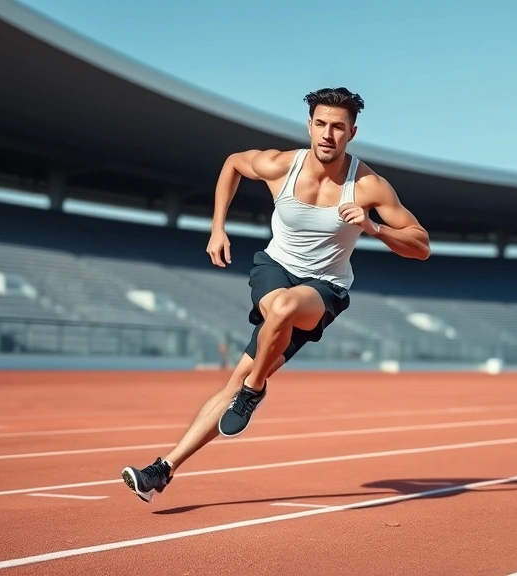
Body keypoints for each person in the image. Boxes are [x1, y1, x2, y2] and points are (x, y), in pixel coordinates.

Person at [121, 87, 431, 503]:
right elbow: (233, 164)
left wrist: (374, 228)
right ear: (309, 126)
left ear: (352, 133)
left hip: (324, 288)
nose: (328, 134)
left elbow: (420, 246)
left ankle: (252, 389)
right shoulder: (281, 166)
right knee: (242, 370)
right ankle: (163, 470)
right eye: (320, 124)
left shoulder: (369, 186)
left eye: (338, 127)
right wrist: (217, 228)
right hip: (275, 268)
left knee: (281, 313)